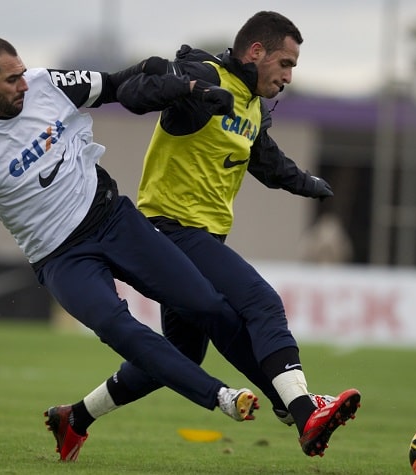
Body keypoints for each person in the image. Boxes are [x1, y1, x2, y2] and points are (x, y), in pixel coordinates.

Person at [0, 36, 269, 460]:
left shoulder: (45, 84)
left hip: (115, 220)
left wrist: (187, 88)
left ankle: (290, 402)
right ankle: (223, 397)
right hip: (63, 258)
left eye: (23, 73)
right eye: (11, 79)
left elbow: (119, 85)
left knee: (208, 306)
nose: (24, 85)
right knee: (124, 331)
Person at [57, 10, 361, 461]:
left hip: (203, 238)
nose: (289, 76)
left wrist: (305, 182)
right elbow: (137, 94)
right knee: (260, 303)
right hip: (170, 230)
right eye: (286, 63)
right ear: (256, 52)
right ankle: (301, 409)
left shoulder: (252, 104)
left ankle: (75, 418)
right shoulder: (204, 75)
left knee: (181, 357)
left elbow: (266, 160)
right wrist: (186, 87)